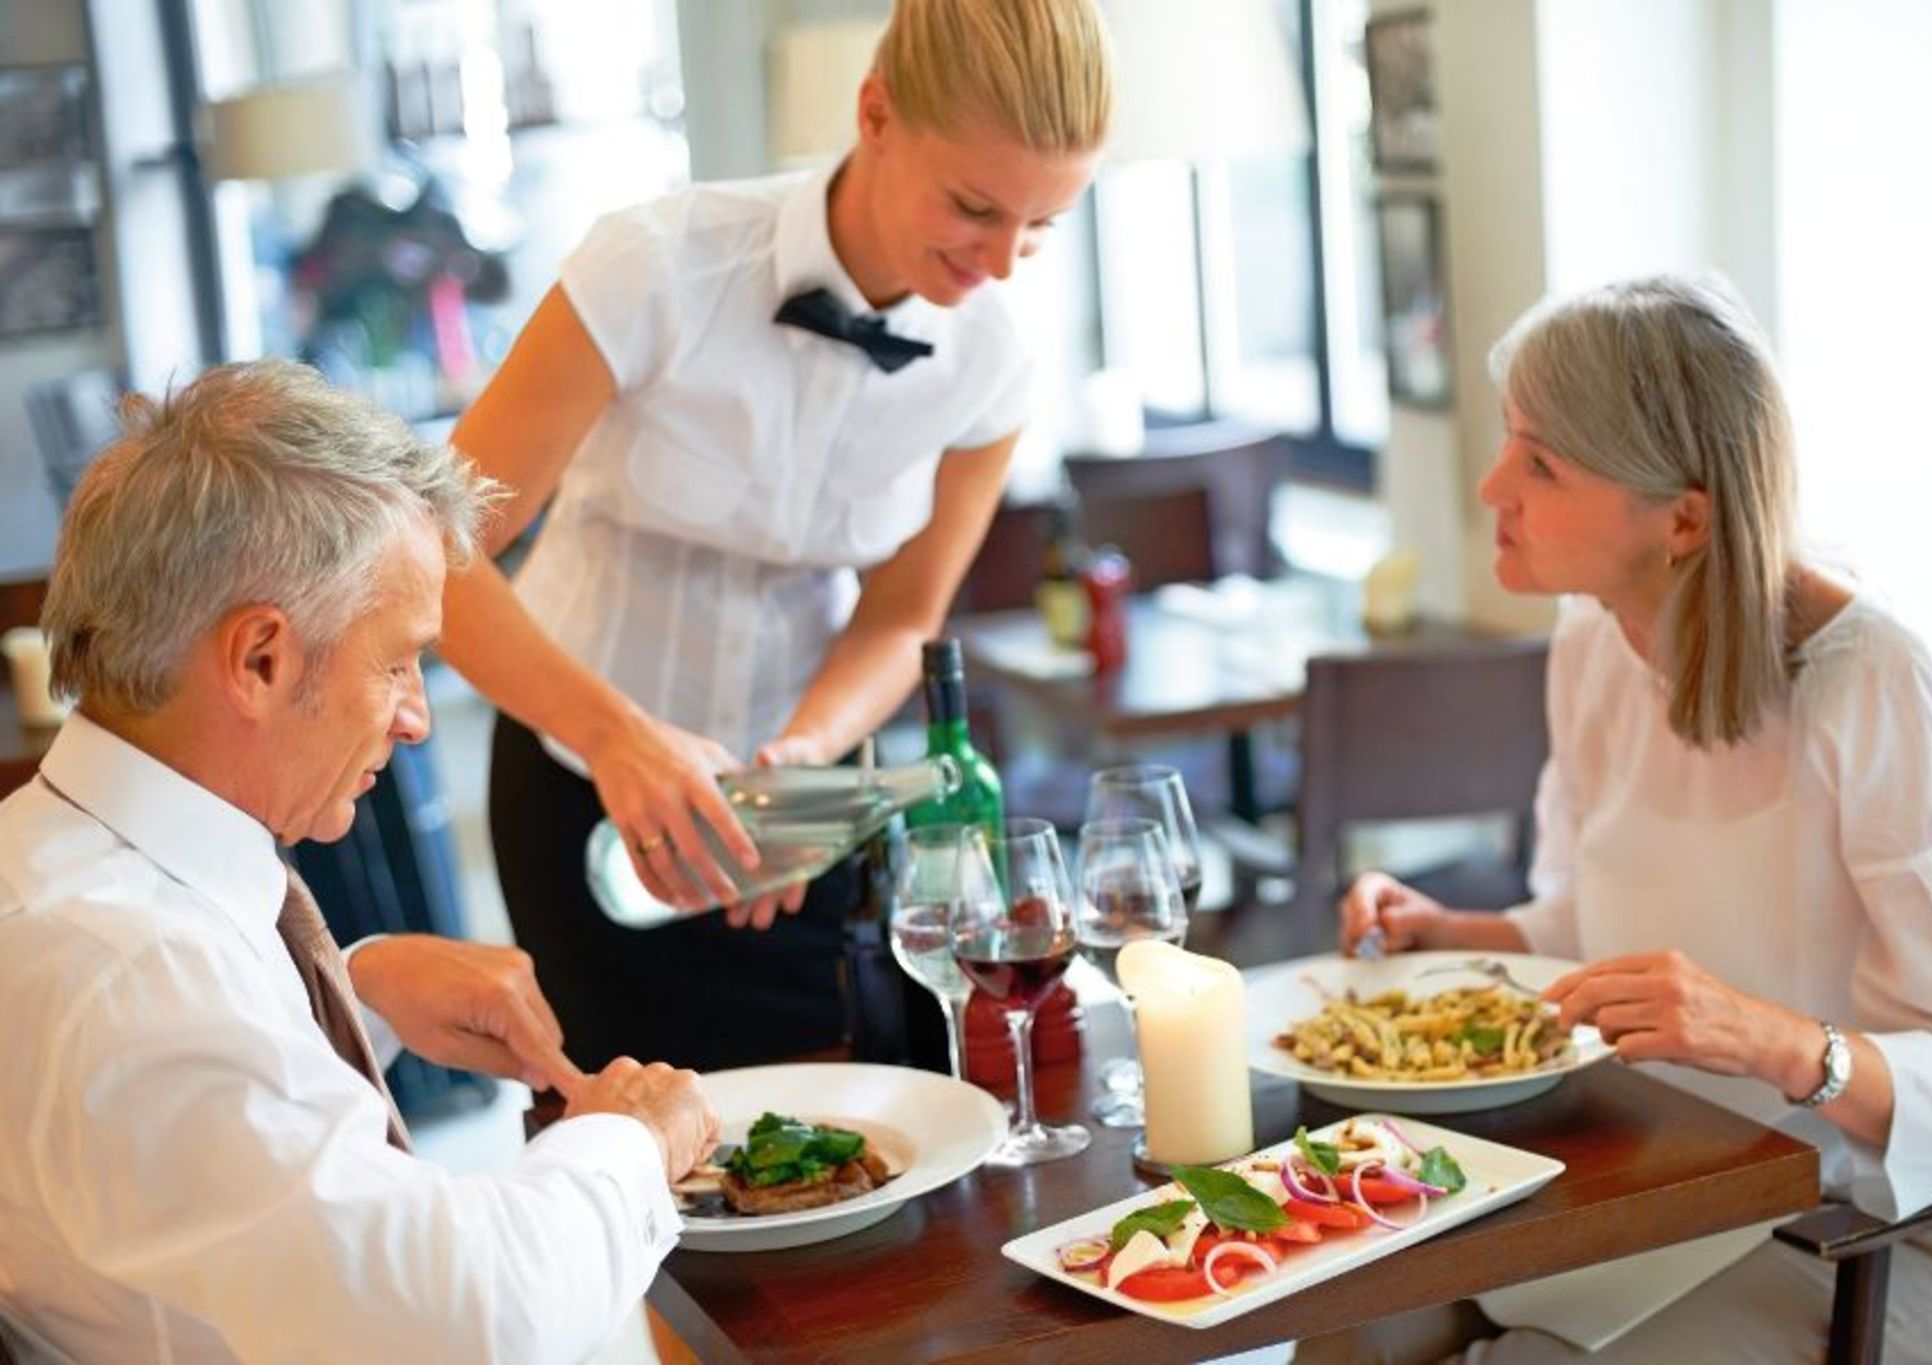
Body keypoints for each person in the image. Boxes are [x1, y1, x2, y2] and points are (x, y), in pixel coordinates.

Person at [1330, 276, 1932, 1362]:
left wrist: (1768, 1039)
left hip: (1890, 1231)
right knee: (1349, 1326)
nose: (1490, 488)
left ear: (1680, 518)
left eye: (1539, 463)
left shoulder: (1880, 680)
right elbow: (1599, 916)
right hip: (1671, 1180)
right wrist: (1461, 934)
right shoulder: (1590, 640)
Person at [0, 361, 721, 1364]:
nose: (418, 718)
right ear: (260, 659)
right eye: (397, 661)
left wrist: (354, 991)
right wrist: (634, 1140)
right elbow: (479, 1320)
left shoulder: (50, 862)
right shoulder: (136, 977)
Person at [440, 0, 1112, 1071]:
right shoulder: (653, 266)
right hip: (578, 782)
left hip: (795, 818)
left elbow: (900, 621)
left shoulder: (990, 362)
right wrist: (616, 735)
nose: (1002, 262)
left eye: (1040, 224)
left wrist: (801, 764)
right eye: (975, 207)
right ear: (875, 113)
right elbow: (430, 552)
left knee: (832, 1143)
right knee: (625, 1146)